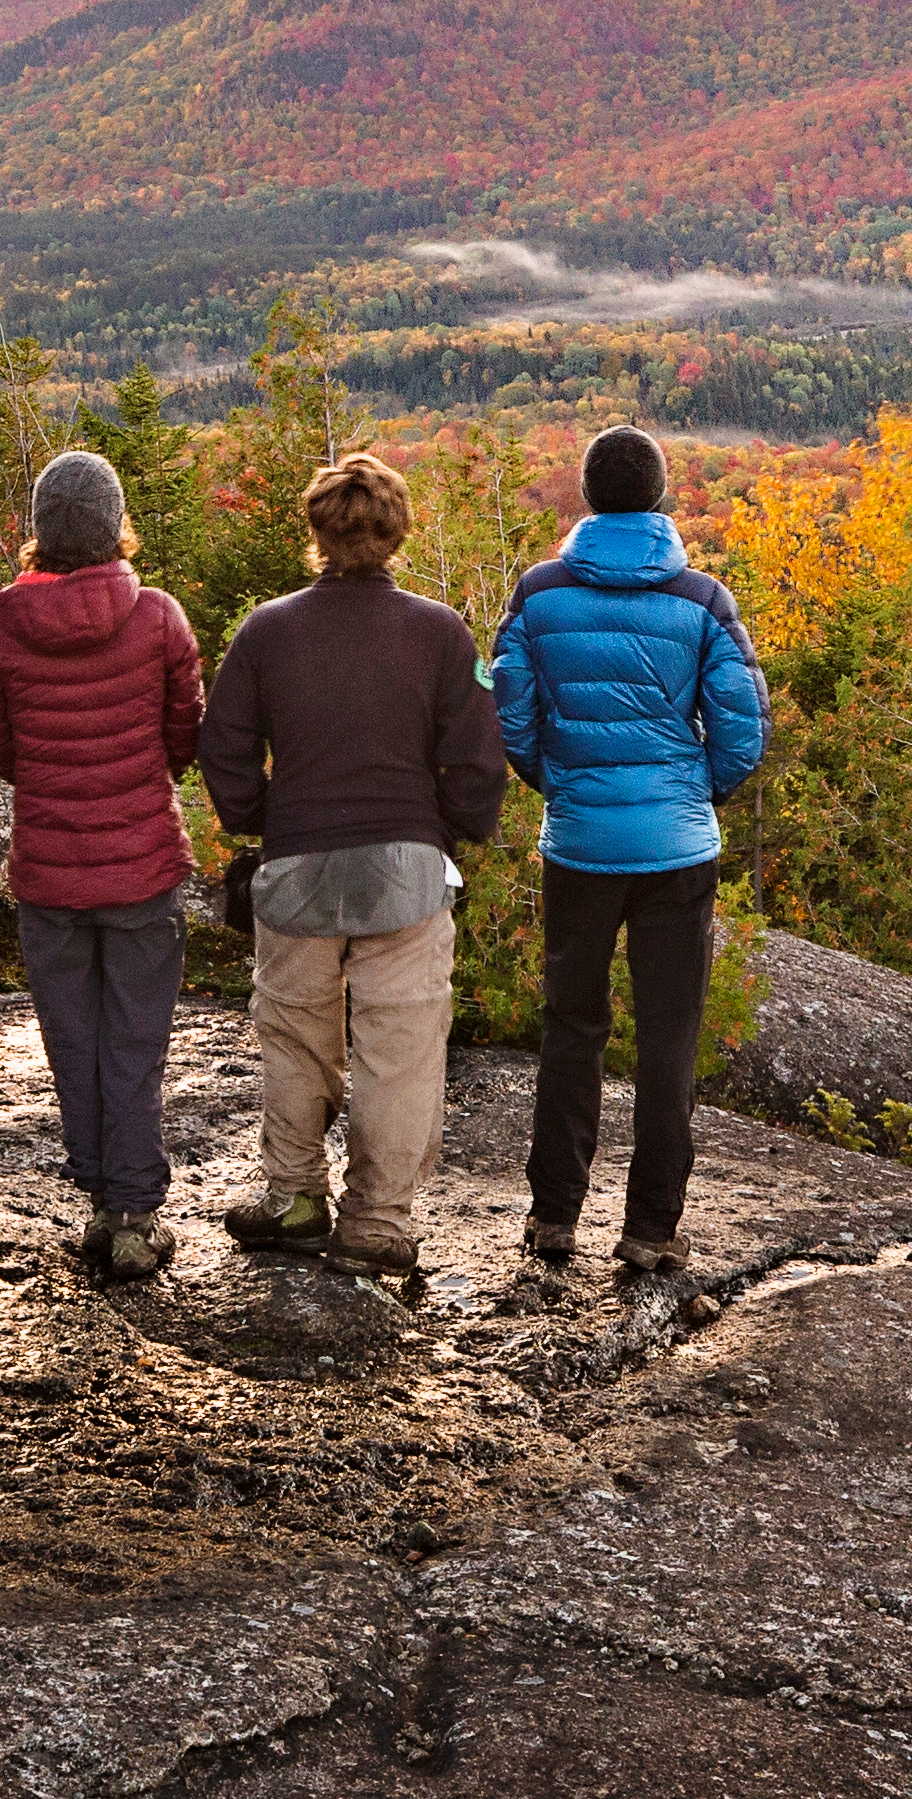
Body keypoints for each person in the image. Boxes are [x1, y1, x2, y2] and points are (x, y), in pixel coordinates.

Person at [198, 450, 502, 1283]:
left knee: (295, 1036)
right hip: (407, 867)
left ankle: (295, 1198)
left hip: (295, 865)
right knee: (399, 1048)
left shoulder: (268, 630)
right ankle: (378, 1218)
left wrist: (262, 817)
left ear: (318, 532)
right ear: (398, 531)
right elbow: (479, 759)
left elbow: (221, 744)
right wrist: (450, 831)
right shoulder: (440, 631)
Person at [493, 422, 769, 1274]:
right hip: (677, 849)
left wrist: (562, 783)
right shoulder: (701, 599)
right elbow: (742, 726)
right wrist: (699, 793)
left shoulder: (538, 593)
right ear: (658, 497)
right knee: (669, 1036)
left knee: (570, 1027)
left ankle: (553, 1220)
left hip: (577, 844)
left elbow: (512, 710)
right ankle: (650, 1231)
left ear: (588, 496)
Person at [0, 447, 205, 1282]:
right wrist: (138, 784)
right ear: (114, 527)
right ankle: (135, 1214)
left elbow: (2, 751)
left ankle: (103, 1202)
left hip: (49, 871)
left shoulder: (3, 629)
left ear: (40, 532)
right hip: (143, 865)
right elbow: (186, 738)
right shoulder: (158, 617)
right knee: (136, 1040)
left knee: (72, 1041)